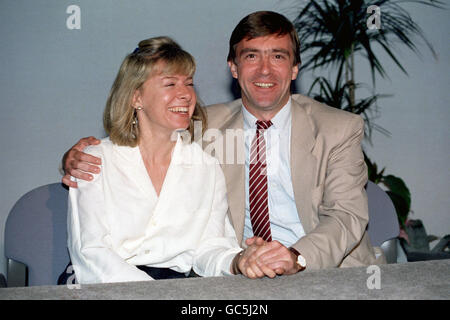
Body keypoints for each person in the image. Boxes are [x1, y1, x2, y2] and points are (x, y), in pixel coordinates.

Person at [62, 12, 383, 279]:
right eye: (252, 56)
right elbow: (143, 137)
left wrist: (296, 257)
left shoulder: (338, 128)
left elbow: (345, 216)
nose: (265, 70)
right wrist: (74, 157)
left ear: (295, 68)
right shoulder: (201, 125)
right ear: (234, 67)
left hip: (320, 267)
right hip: (243, 272)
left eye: (278, 56)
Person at [60, 36, 267, 284]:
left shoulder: (206, 167)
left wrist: (238, 261)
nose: (186, 95)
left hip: (178, 286)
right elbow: (91, 252)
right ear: (136, 97)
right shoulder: (95, 160)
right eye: (170, 84)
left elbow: (211, 246)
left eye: (188, 84)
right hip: (106, 286)